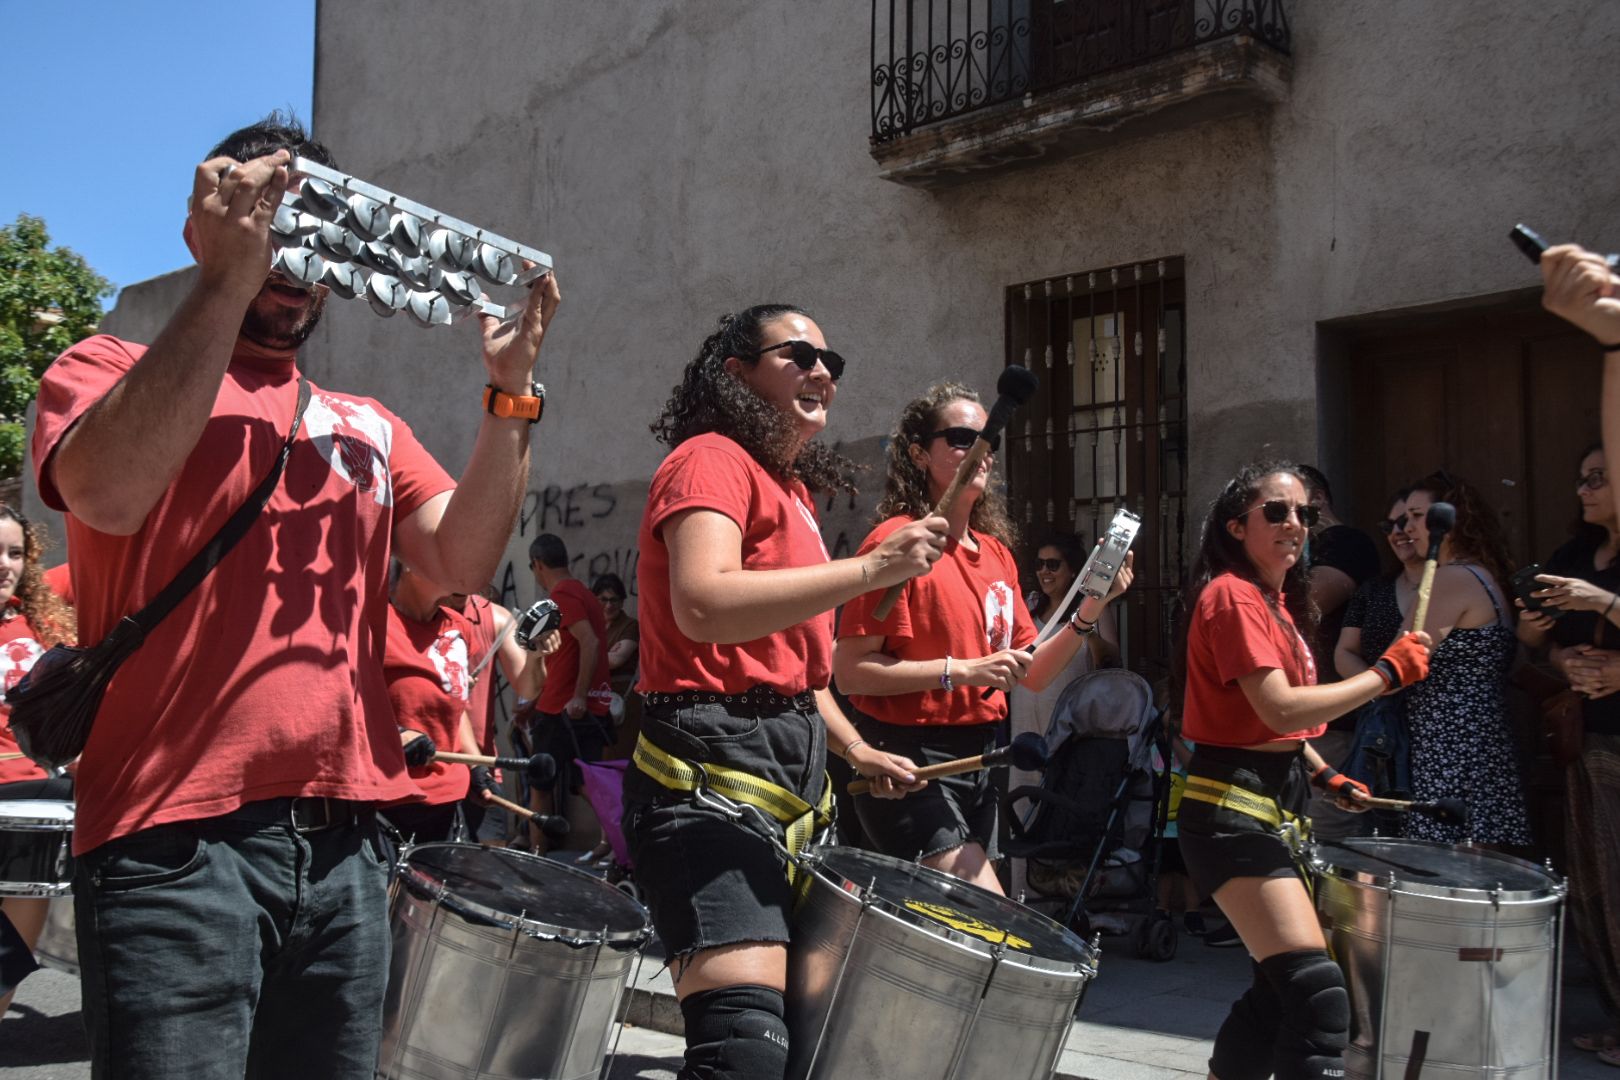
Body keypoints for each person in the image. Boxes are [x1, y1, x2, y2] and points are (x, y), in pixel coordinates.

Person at [28, 115, 558, 1078]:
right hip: (172, 842)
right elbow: (106, 489)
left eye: (314, 232)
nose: (292, 256)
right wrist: (227, 277)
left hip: (349, 846)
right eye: (273, 222)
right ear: (213, 222)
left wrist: (512, 393)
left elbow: (461, 565)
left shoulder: (366, 422)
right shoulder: (102, 369)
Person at [621, 304, 946, 1080]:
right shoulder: (710, 459)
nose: (822, 371)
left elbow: (799, 674)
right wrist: (873, 571)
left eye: (832, 360)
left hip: (788, 774)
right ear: (736, 375)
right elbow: (702, 603)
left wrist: (859, 747)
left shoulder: (790, 490)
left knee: (803, 1046)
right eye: (797, 354)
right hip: (707, 769)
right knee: (744, 1050)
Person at [1177, 461, 1431, 1080]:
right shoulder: (1232, 596)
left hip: (1272, 806)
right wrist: (1385, 675)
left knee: (1277, 990)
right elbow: (1281, 706)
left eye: (1305, 513)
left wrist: (1322, 773)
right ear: (1237, 526)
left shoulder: (1276, 603)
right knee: (1317, 994)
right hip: (1231, 812)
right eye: (1278, 511)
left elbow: (1278, 724)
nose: (1296, 524)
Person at [834, 384, 1133, 894]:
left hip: (982, 761)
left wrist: (1092, 608)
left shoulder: (995, 553)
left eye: (989, 440)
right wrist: (962, 671)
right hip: (906, 762)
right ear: (919, 454)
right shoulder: (897, 543)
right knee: (984, 923)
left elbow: (1032, 671)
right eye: (960, 438)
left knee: (953, 946)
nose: (980, 451)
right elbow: (850, 670)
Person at [1516, 443, 1620, 1063]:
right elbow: (1535, 641)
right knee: (1599, 883)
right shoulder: (1576, 555)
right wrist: (1560, 652)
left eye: (1600, 478)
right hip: (1589, 742)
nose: (1585, 489)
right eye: (1582, 478)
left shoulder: (1594, 578)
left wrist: (1601, 602)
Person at [1400, 472, 1532, 848]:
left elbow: (1398, 658)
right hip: (1480, 741)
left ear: (1450, 520)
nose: (1407, 527)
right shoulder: (1484, 574)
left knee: (1449, 877)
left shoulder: (1451, 579)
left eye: (1417, 515)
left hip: (1451, 748)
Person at [0, 504, 76, 1019]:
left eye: (15, 552)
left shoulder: (42, 616)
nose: (6, 563)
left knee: (6, 961)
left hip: (32, 809)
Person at [381, 563, 490, 844]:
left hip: (448, 801)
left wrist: (476, 765)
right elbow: (345, 704)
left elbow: (456, 704)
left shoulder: (458, 627)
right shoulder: (372, 622)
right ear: (409, 565)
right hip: (386, 806)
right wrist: (395, 734)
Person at [524, 533, 613, 851]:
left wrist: (577, 695)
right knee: (585, 781)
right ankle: (614, 842)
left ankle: (537, 852)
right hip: (581, 707)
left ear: (537, 564)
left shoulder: (563, 596)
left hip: (562, 709)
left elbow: (588, 642)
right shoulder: (583, 594)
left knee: (540, 782)